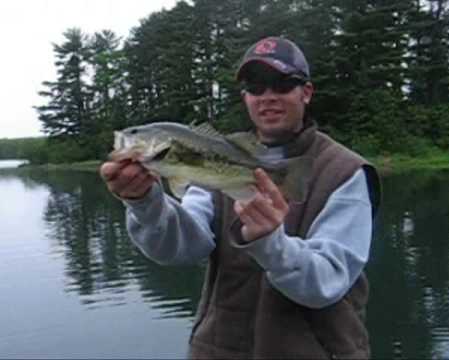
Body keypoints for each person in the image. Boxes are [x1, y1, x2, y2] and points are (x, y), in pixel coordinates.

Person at [100, 36, 381, 359]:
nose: (268, 96)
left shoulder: (346, 172)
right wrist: (145, 203)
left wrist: (271, 243)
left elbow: (327, 282)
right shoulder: (219, 154)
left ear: (306, 92)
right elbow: (186, 247)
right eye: (256, 86)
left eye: (283, 84)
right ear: (245, 96)